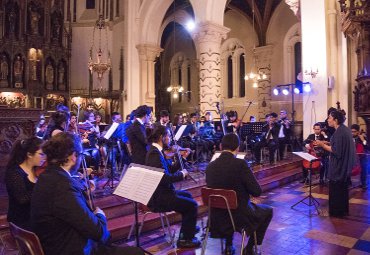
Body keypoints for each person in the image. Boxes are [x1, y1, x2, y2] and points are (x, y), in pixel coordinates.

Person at [30, 133, 143, 255]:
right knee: (137, 253)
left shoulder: (46, 178)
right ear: (73, 156)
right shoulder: (63, 186)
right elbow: (98, 233)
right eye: (81, 155)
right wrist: (100, 216)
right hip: (71, 249)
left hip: (57, 243)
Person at [206, 133, 273, 255]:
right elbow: (257, 191)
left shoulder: (210, 166)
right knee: (268, 211)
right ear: (237, 147)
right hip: (238, 217)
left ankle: (228, 246)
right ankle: (250, 248)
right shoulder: (240, 164)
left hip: (216, 217)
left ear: (221, 146)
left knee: (228, 203)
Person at [145, 125, 200, 248]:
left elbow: (169, 169)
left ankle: (188, 227)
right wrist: (182, 174)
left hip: (163, 193)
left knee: (188, 195)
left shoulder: (156, 151)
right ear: (161, 137)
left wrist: (183, 159)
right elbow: (165, 179)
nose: (170, 139)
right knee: (192, 205)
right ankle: (185, 239)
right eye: (168, 136)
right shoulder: (154, 154)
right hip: (159, 197)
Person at [315, 110, 356, 217]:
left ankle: (336, 212)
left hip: (338, 167)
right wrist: (327, 142)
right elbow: (340, 145)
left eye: (329, 118)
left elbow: (336, 151)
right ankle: (342, 211)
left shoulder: (339, 132)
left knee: (336, 189)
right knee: (342, 190)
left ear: (335, 120)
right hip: (344, 166)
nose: (327, 120)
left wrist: (322, 145)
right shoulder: (344, 130)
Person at [5, 137, 45, 230]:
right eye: (41, 154)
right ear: (29, 154)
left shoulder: (37, 170)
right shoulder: (14, 172)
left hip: (36, 217)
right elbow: (22, 199)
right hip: (22, 221)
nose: (44, 158)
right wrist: (43, 187)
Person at [351, 124, 368, 189]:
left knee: (363, 170)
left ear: (358, 131)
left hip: (363, 156)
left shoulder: (363, 137)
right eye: (351, 131)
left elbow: (367, 146)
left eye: (354, 131)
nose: (352, 133)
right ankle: (349, 183)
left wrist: (363, 140)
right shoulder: (350, 138)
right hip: (354, 156)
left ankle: (363, 184)